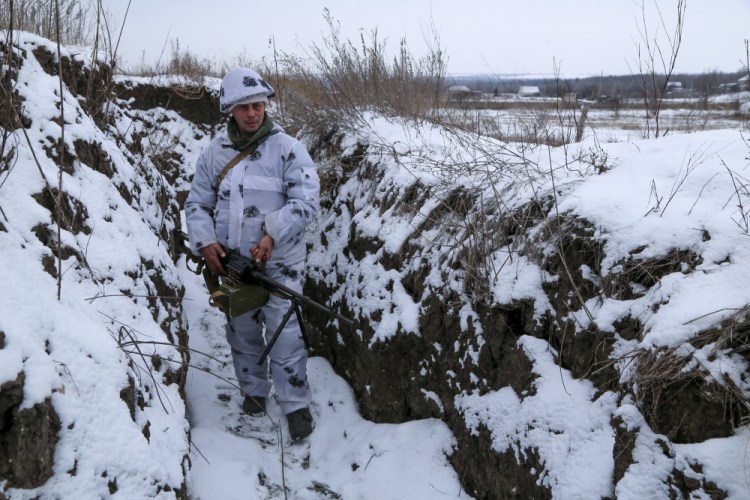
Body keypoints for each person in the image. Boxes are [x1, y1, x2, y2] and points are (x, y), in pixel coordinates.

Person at [184, 67, 320, 441]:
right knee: (241, 332)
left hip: (280, 265)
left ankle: (295, 405)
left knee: (285, 333)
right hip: (232, 266)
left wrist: (272, 235)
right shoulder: (215, 153)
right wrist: (206, 242)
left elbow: (306, 203)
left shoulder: (289, 149)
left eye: (257, 105)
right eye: (243, 107)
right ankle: (254, 394)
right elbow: (197, 203)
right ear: (230, 109)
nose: (252, 113)